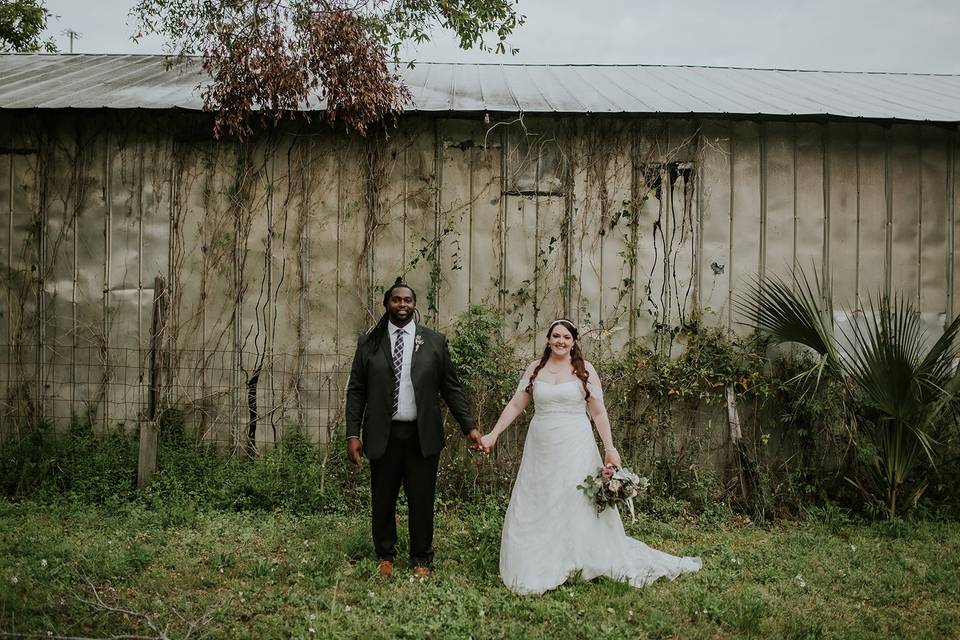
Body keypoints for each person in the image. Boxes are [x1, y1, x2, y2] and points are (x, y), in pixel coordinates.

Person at [479, 319, 702, 595]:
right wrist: (493, 434)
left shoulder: (584, 370)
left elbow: (598, 412)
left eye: (566, 337)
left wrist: (610, 448)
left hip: (576, 443)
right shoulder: (535, 368)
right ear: (549, 339)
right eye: (556, 336)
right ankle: (540, 555)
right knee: (540, 496)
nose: (561, 341)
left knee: (574, 498)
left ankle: (578, 555)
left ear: (574, 342)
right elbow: (516, 404)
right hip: (542, 446)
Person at [345, 279, 484, 579]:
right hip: (384, 435)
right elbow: (356, 390)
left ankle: (422, 557)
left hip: (422, 436)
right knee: (383, 498)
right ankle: (385, 554)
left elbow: (451, 388)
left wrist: (468, 426)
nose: (402, 305)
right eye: (396, 300)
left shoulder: (433, 342)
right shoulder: (368, 344)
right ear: (387, 304)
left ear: (414, 304)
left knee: (422, 499)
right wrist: (352, 434)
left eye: (407, 300)